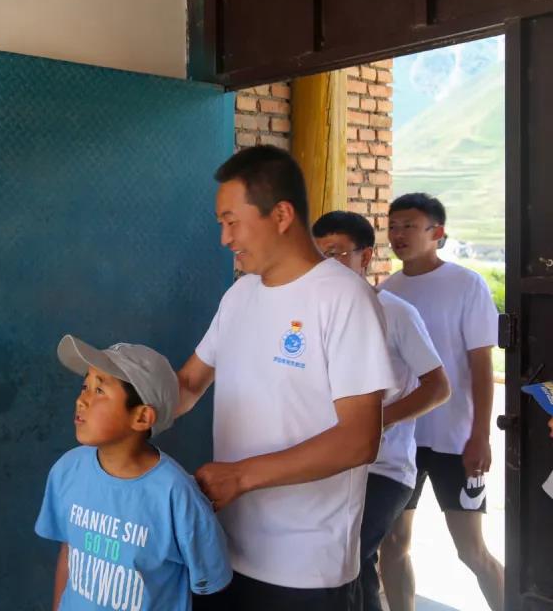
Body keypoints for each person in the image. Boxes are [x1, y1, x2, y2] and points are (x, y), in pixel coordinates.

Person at [177, 145, 396, 610]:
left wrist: (240, 477)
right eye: (221, 224)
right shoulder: (239, 296)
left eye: (232, 222)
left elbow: (359, 439)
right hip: (224, 551)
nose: (225, 238)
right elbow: (189, 384)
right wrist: (124, 404)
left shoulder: (343, 298)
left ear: (280, 214)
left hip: (304, 569)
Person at [312, 210, 451, 610]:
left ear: (366, 256)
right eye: (318, 255)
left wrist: (376, 421)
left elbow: (438, 387)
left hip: (383, 468)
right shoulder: (314, 315)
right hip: (329, 464)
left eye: (336, 253)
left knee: (352, 560)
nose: (325, 265)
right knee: (335, 567)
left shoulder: (396, 313)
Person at [35, 335, 232, 610]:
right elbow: (69, 552)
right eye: (85, 386)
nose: (81, 400)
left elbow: (211, 583)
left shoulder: (176, 494)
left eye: (99, 390)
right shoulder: (68, 470)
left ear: (142, 417)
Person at [377, 193, 503, 611]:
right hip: (402, 441)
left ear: (438, 232)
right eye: (393, 226)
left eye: (409, 226)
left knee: (471, 550)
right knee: (393, 543)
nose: (398, 234)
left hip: (455, 439)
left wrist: (480, 436)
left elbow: (481, 366)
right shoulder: (386, 292)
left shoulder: (467, 284)